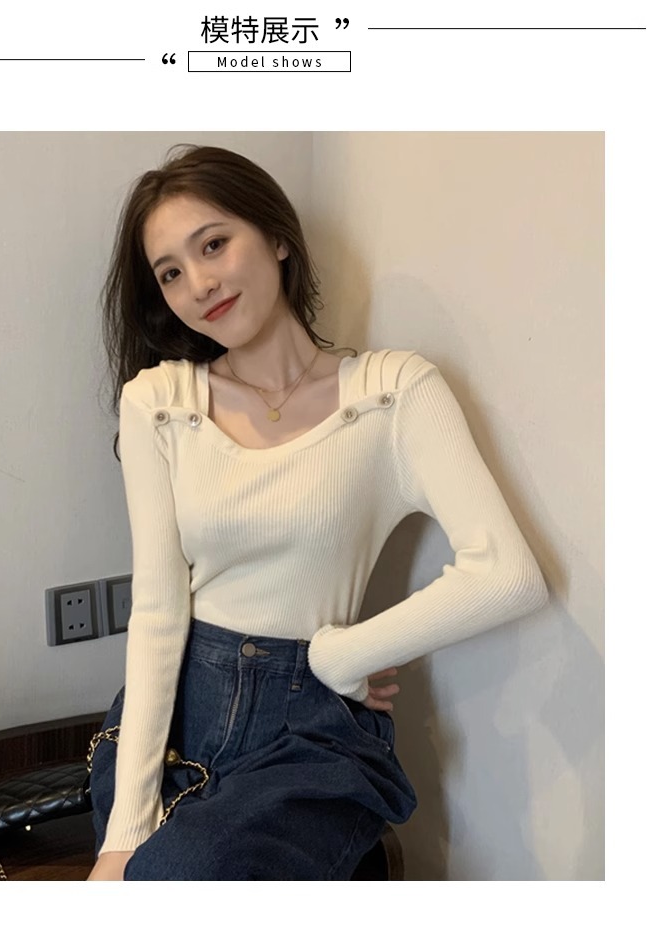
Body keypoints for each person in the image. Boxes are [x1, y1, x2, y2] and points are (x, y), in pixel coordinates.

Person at [87, 145, 548, 881]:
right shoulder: (159, 402)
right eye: (170, 272)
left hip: (309, 728)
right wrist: (125, 831)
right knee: (138, 875)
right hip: (174, 711)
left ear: (277, 237)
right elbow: (158, 612)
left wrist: (343, 653)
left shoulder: (393, 393)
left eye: (214, 244)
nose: (199, 284)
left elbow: (507, 575)